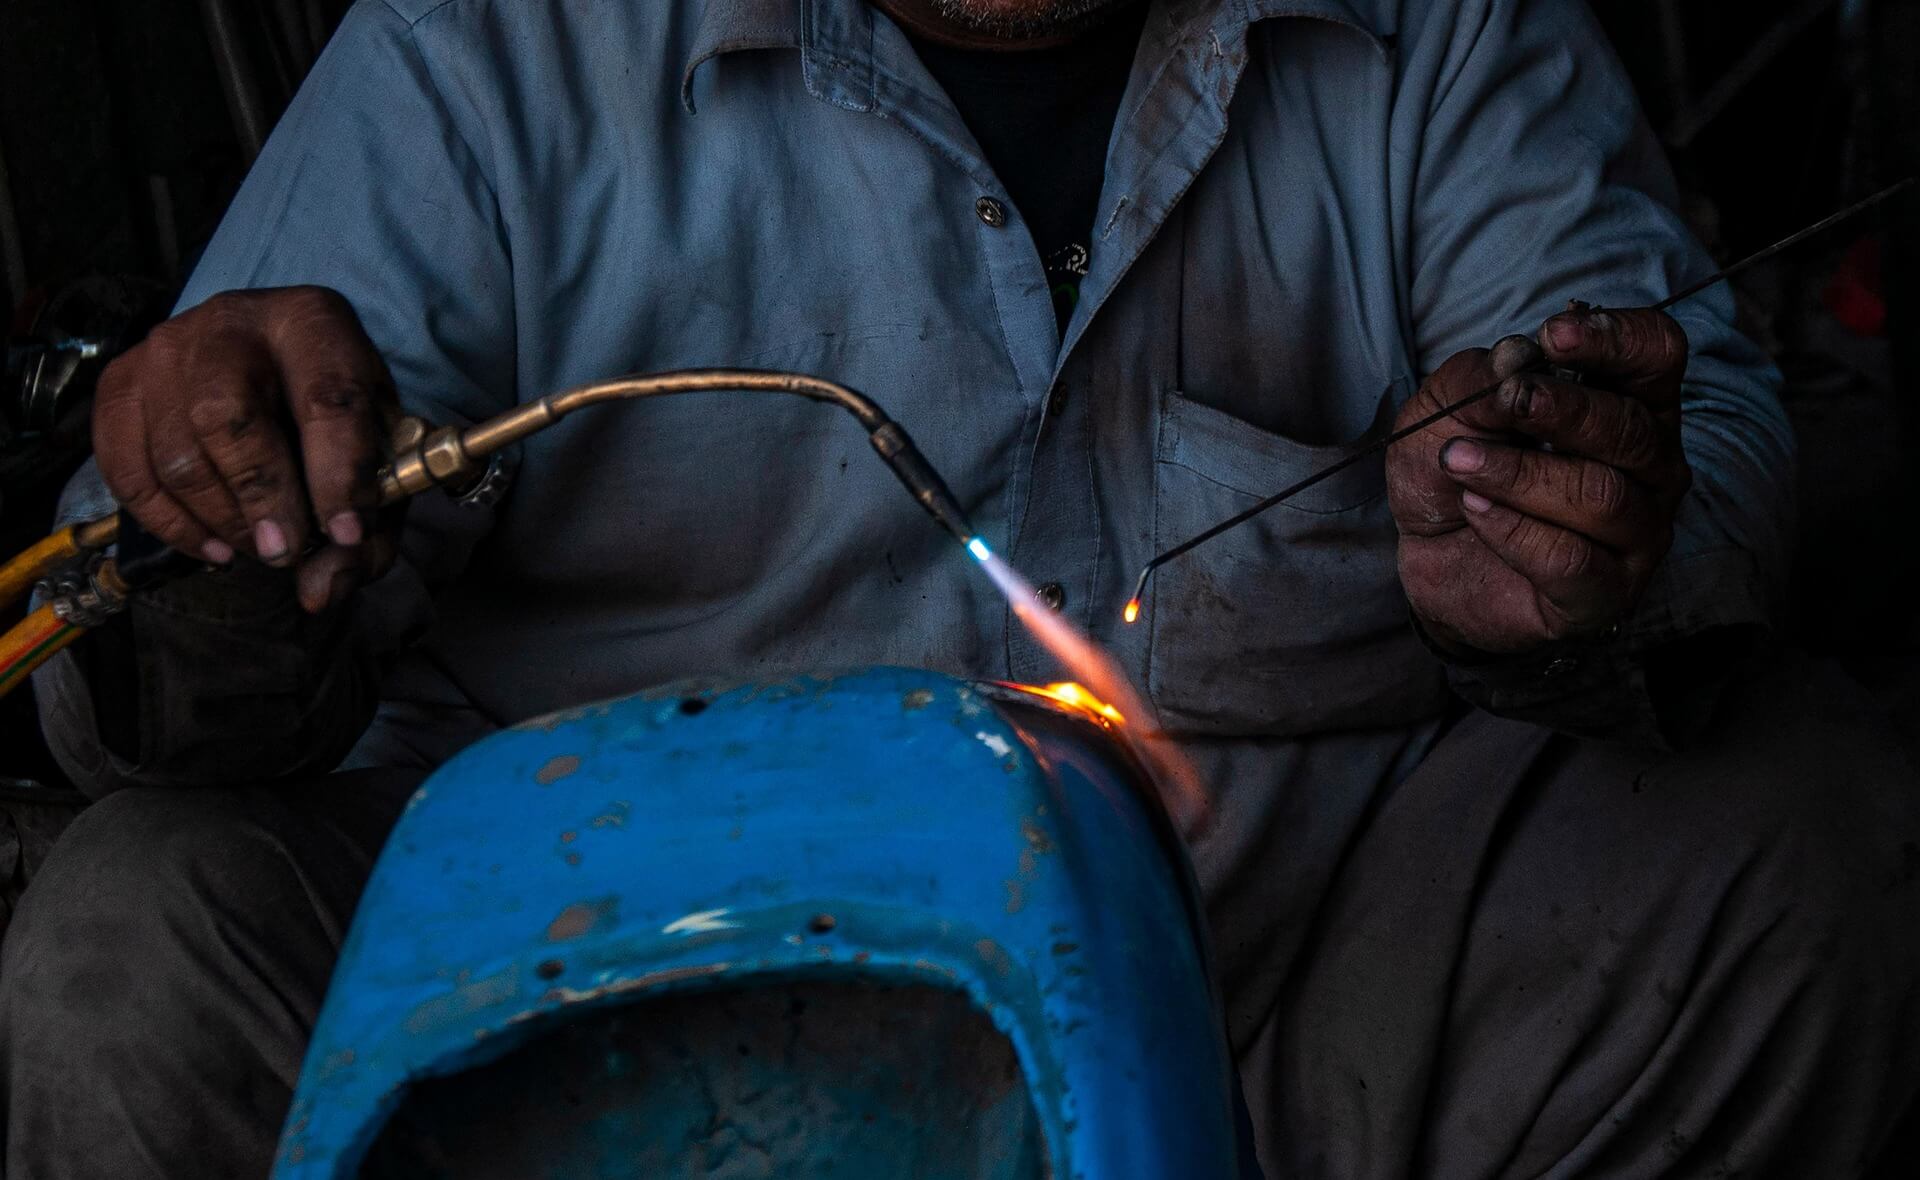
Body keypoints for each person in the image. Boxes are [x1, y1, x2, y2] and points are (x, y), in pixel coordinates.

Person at [5, 0, 1918, 1174]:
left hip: (1276, 1016)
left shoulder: (1435, 34)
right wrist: (220, 546)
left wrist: (1590, 547)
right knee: (142, 933)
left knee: (1796, 825)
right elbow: (140, 666)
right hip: (585, 1038)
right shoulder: (482, 52)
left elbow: (1714, 443)